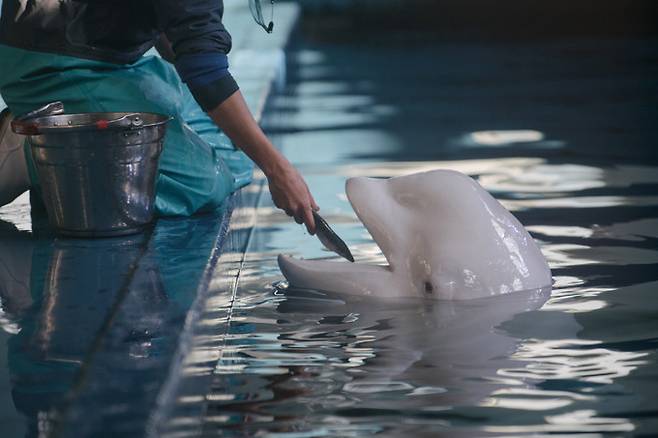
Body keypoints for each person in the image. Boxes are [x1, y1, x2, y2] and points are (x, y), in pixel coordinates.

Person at [0, 0, 318, 233]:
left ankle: (64, 126)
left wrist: (185, 39)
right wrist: (280, 171)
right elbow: (205, 73)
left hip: (107, 56)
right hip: (59, 66)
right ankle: (40, 144)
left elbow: (177, 32)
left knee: (232, 152)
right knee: (208, 182)